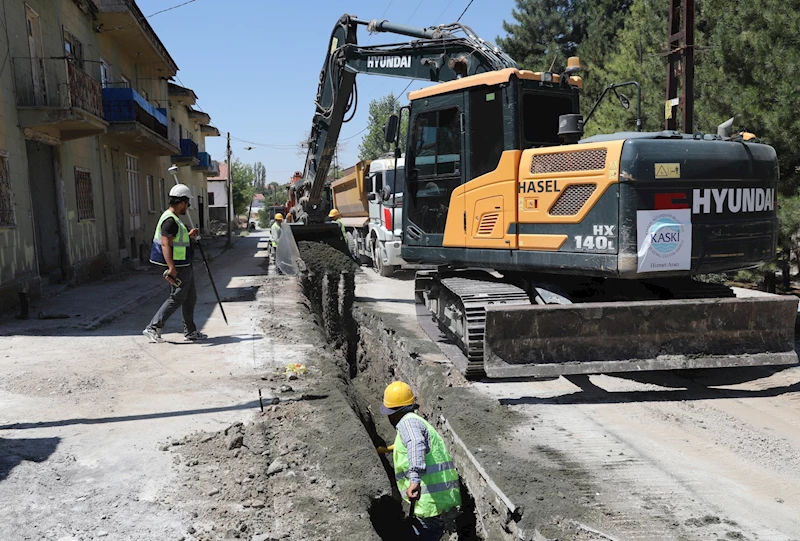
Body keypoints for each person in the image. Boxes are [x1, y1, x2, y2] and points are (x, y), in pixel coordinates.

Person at [382, 381, 461, 541]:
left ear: (394, 412)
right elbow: (413, 443)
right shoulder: (414, 421)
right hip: (441, 500)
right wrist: (391, 448)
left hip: (430, 504)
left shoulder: (407, 423)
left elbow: (416, 444)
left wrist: (414, 480)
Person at [143, 184, 207, 343]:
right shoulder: (170, 220)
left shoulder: (175, 220)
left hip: (184, 263)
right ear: (182, 202)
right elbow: (165, 244)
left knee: (190, 297)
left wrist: (189, 236)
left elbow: (178, 240)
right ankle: (153, 326)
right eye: (188, 203)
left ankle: (190, 331)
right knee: (177, 297)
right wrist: (171, 267)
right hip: (177, 266)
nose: (188, 207)